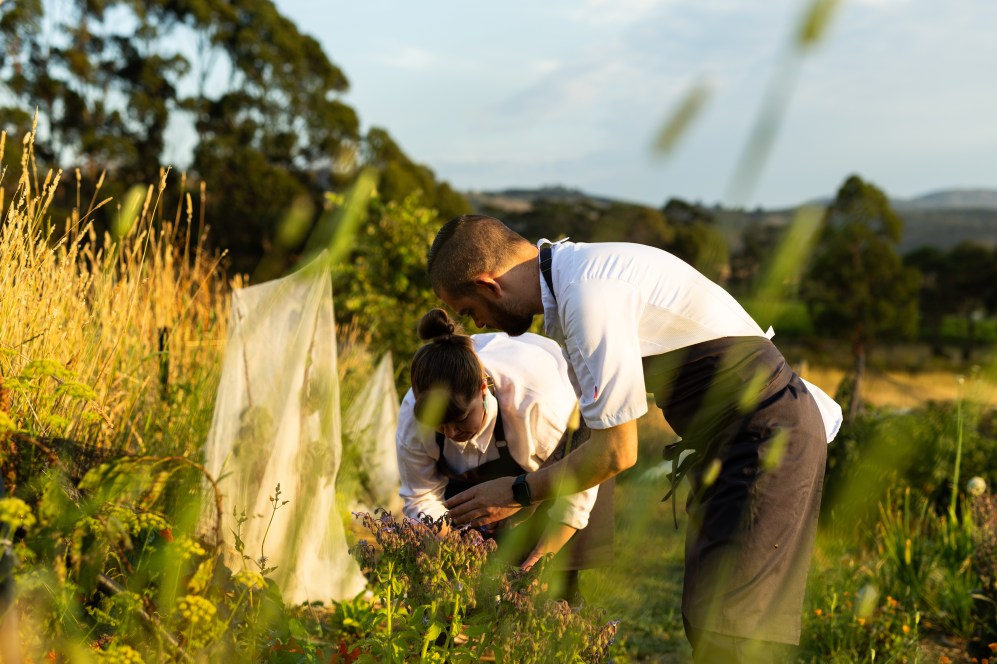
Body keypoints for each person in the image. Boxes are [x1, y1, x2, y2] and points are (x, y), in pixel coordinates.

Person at [429, 215, 842, 663]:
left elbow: (616, 452)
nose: (480, 324)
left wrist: (517, 492)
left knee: (734, 630)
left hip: (767, 436)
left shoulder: (587, 294)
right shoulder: (575, 285)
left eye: (471, 311)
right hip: (733, 442)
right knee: (710, 619)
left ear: (489, 284)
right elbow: (594, 436)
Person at [396, 308, 614, 599]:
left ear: (482, 388)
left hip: (565, 462)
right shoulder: (414, 412)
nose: (449, 433)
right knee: (456, 596)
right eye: (438, 425)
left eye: (460, 420)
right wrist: (457, 554)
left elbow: (576, 490)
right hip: (474, 484)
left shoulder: (538, 403)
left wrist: (538, 563)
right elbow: (420, 495)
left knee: (550, 595)